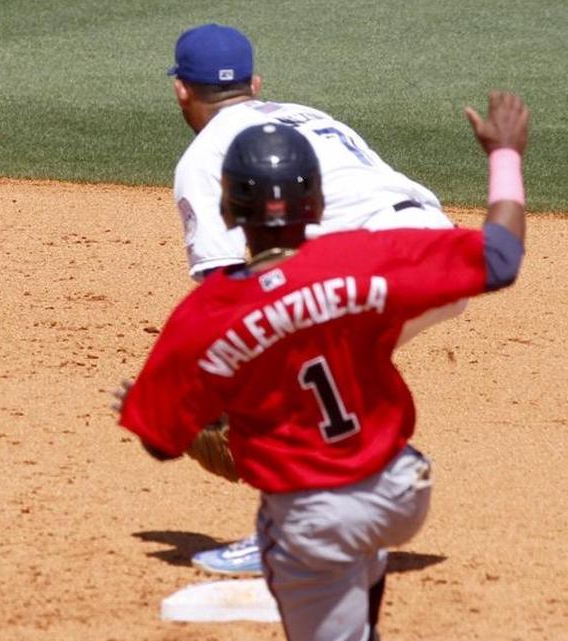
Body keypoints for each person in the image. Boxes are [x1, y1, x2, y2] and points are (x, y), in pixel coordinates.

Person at [115, 91, 529, 641]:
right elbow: (500, 257)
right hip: (401, 490)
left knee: (297, 533)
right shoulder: (367, 262)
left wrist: (180, 421)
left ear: (227, 210)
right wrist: (505, 154)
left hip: (316, 518)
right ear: (315, 204)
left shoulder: (205, 316)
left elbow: (160, 442)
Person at [166, 23, 466, 576]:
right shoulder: (309, 117)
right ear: (256, 82)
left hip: (377, 266)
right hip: (439, 253)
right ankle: (375, 487)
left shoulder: (205, 158)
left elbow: (226, 292)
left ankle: (289, 532)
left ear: (180, 89)